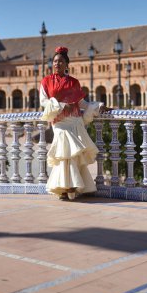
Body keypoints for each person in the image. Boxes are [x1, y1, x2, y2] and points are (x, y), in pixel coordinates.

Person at [40, 46, 111, 200]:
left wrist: (98, 106)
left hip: (74, 121)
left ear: (67, 65)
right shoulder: (46, 82)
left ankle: (72, 188)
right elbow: (43, 102)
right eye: (55, 61)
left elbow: (82, 103)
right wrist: (61, 105)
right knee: (65, 151)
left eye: (60, 61)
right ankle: (68, 187)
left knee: (72, 154)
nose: (57, 64)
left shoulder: (73, 82)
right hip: (59, 122)